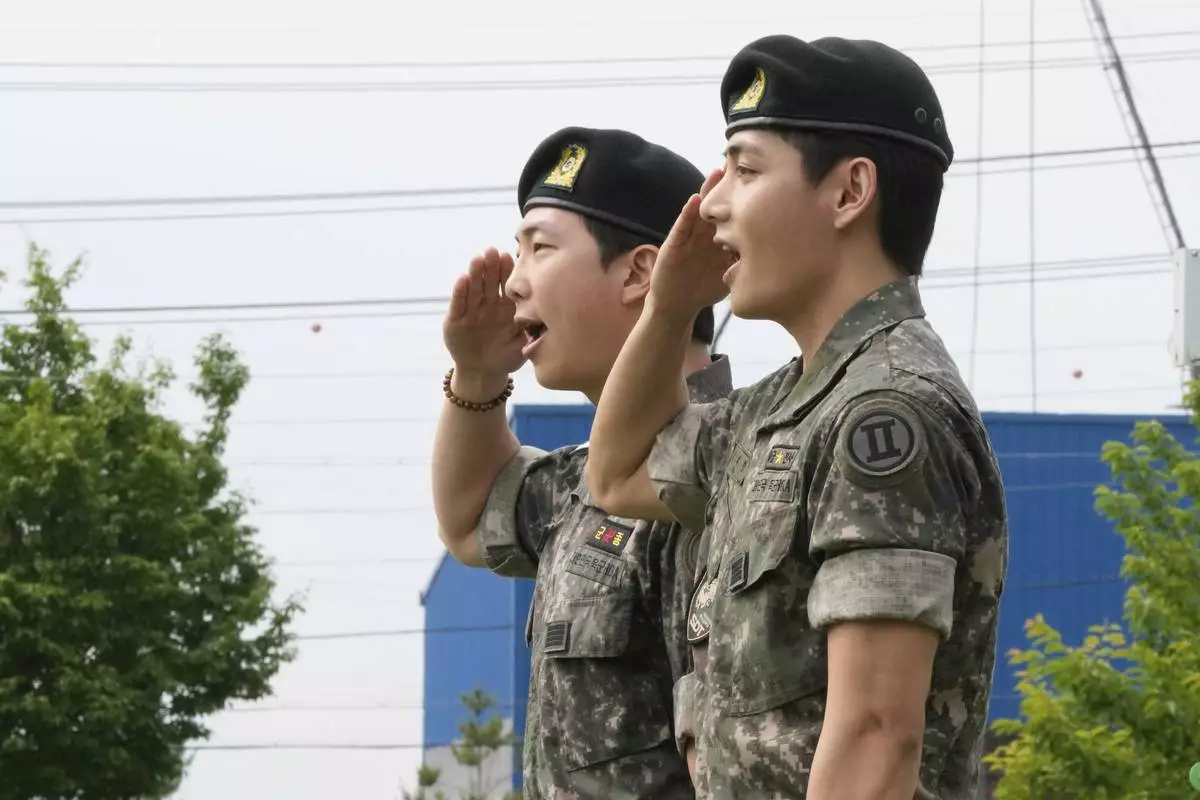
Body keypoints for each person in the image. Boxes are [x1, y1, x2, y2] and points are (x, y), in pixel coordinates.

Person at [585, 35, 1009, 800]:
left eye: (745, 170)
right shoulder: (780, 412)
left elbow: (877, 735)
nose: (711, 202)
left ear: (849, 192)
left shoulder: (884, 413)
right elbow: (616, 474)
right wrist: (670, 306)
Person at [431, 125, 731, 799]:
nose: (512, 283)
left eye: (540, 249)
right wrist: (477, 376)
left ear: (640, 272)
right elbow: (470, 521)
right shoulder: (583, 479)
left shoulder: (726, 469)